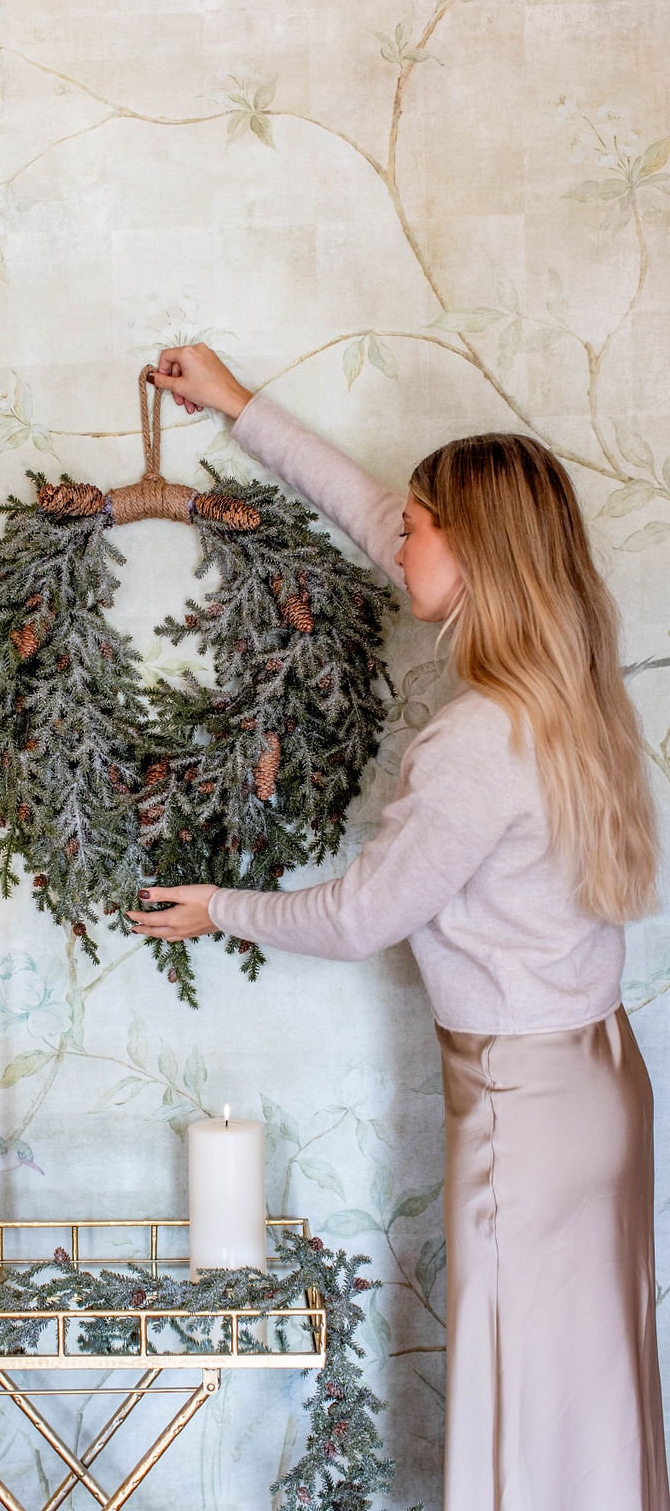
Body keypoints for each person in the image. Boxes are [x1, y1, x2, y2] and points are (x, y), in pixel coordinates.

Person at [127, 343, 669, 1511]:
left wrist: (212, 906)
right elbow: (377, 515)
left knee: (520, 1405)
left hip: (522, 1114)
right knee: (587, 1399)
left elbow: (359, 914)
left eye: (421, 527)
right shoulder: (570, 686)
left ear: (472, 555)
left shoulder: (476, 740)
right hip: (596, 1082)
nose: (398, 540)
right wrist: (238, 410)